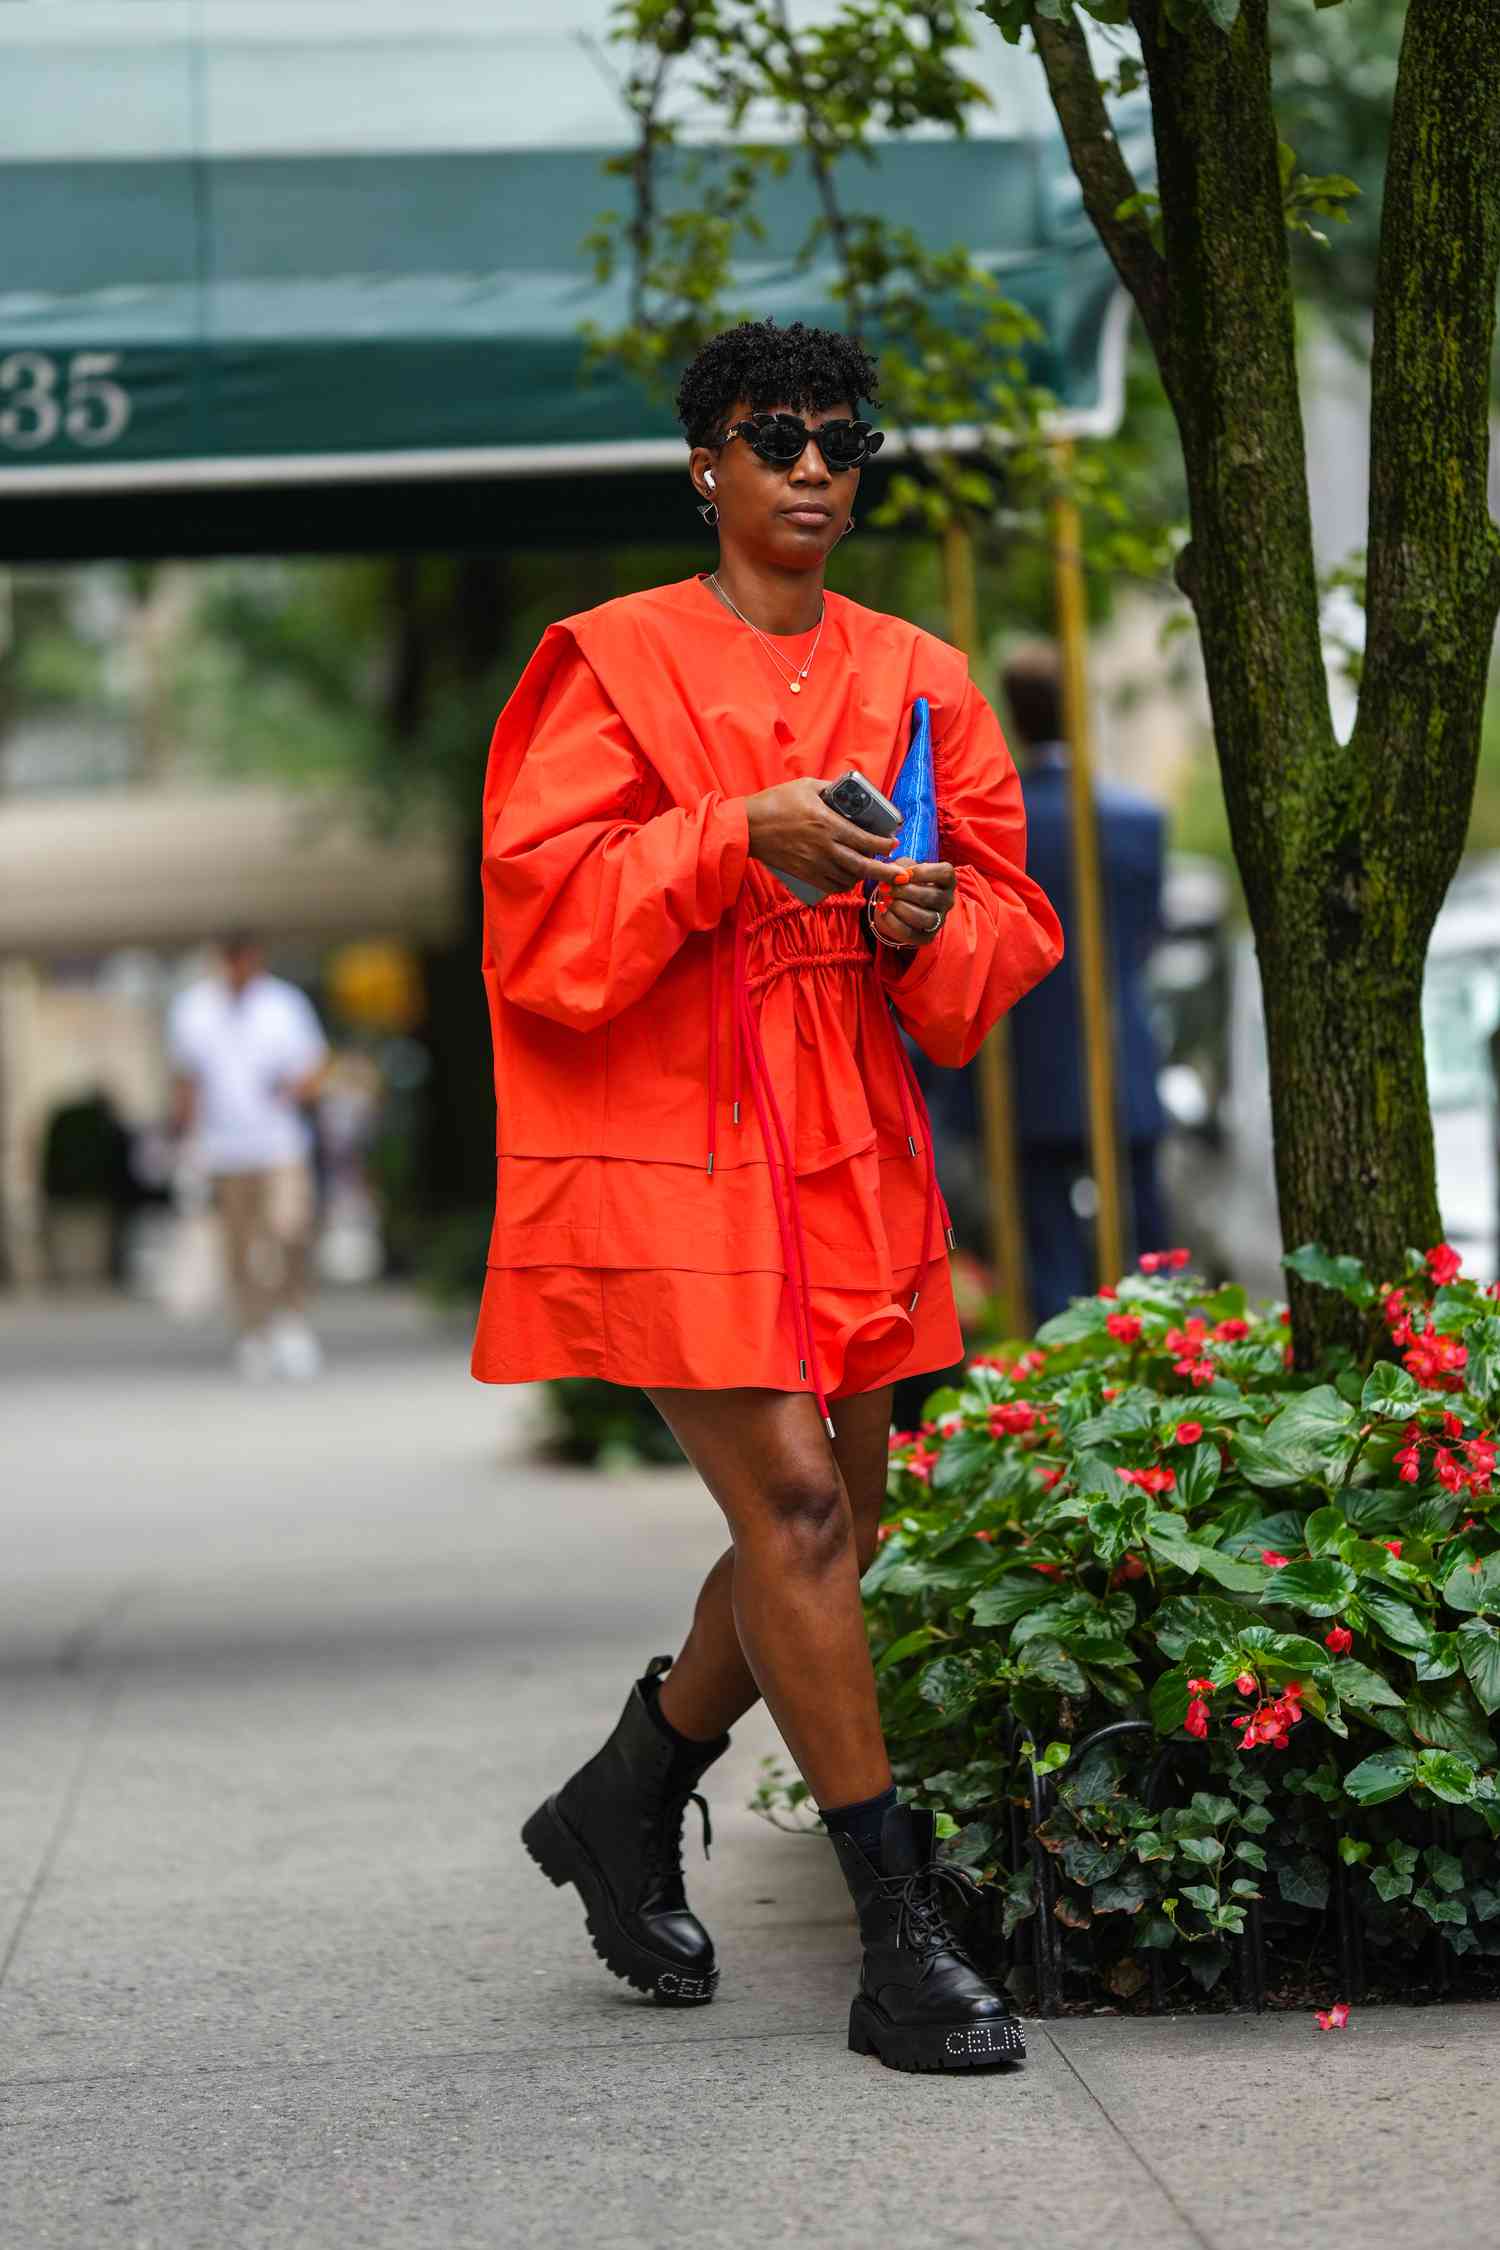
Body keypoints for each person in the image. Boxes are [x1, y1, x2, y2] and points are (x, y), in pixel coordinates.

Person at [475, 319, 1062, 2073]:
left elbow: (1006, 907)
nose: (814, 462)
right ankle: (901, 1939)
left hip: (846, 1134)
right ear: (705, 466)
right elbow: (541, 907)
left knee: (842, 1529)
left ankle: (627, 1786)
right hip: (674, 1131)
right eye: (773, 433)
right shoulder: (608, 658)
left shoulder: (920, 677)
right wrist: (740, 835)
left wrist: (920, 919)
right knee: (801, 1516)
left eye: (838, 436)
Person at [1000, 642, 1169, 1318]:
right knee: (1146, 1259)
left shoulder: (1001, 822)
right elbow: (1149, 936)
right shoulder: (1137, 821)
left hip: (1029, 1065)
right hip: (1121, 1053)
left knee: (1049, 1260)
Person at [167, 935, 330, 1381]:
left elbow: (314, 1067)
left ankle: (291, 1320)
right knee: (238, 1244)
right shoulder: (193, 1009)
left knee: (289, 1230)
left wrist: (290, 1090)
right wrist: (184, 1140)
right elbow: (186, 1079)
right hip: (224, 1147)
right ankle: (253, 1330)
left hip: (280, 1143)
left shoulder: (284, 1005)